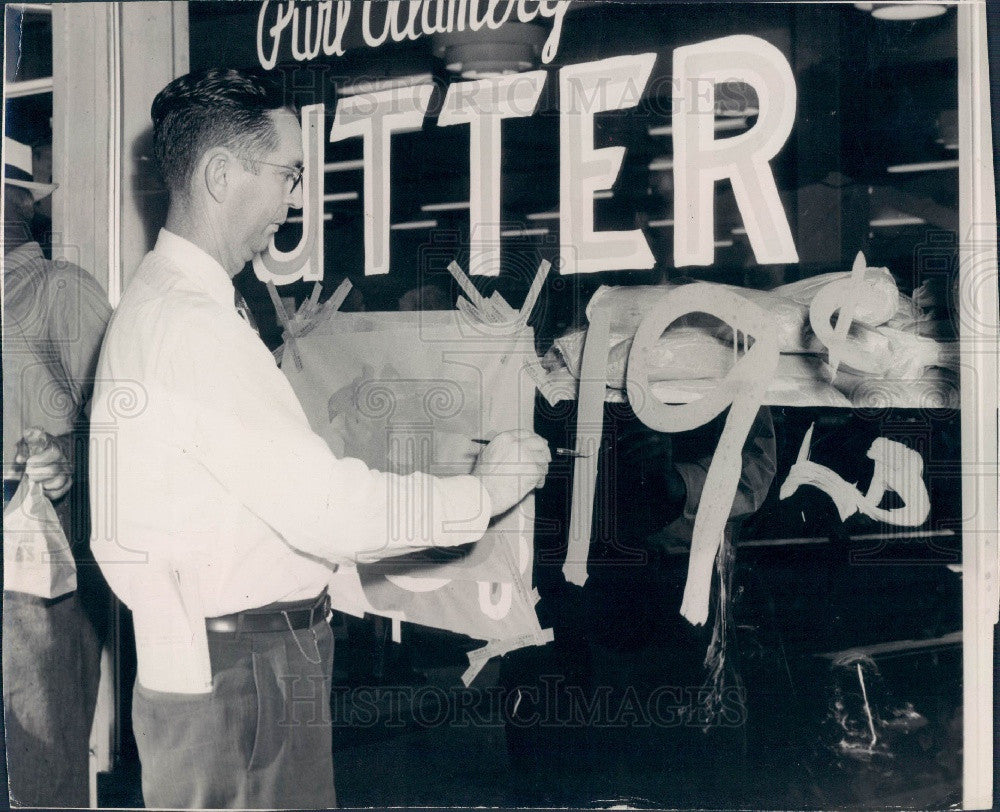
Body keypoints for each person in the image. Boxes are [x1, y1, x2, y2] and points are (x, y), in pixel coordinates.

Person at [88, 68, 550, 810]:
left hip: (233, 657)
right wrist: (487, 491)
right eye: (289, 174)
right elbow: (329, 510)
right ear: (218, 174)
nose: (296, 199)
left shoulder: (179, 308)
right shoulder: (192, 325)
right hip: (243, 671)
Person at [2, 136, 113, 807]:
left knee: (38, 743)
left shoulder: (58, 290)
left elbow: (123, 433)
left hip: (34, 534)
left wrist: (64, 463)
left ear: (16, 202)